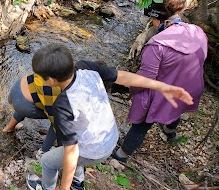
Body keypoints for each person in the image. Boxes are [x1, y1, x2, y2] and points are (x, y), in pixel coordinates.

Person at [26, 43, 194, 190]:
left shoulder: (62, 105)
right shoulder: (85, 67)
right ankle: (78, 183)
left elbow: (72, 152)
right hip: (110, 138)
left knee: (48, 161)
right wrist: (161, 86)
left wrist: (63, 187)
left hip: (94, 150)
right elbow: (123, 76)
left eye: (40, 76)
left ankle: (48, 188)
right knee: (68, 151)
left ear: (52, 81)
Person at [112, 0, 208, 163]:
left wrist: (131, 90)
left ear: (159, 20)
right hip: (191, 88)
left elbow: (144, 80)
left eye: (152, 20)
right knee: (175, 107)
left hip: (164, 94)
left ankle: (121, 155)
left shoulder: (157, 45)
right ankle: (170, 132)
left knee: (142, 122)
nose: (152, 24)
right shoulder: (197, 31)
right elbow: (202, 56)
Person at [3, 73, 60, 154]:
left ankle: (8, 128)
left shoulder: (61, 68)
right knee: (59, 121)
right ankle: (43, 151)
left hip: (17, 88)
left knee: (34, 97)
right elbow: (55, 120)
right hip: (23, 104)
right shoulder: (59, 89)